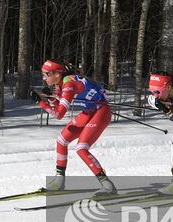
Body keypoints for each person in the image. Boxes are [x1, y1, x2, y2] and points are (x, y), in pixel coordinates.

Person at [34, 60, 116, 195]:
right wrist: (51, 99)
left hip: (101, 111)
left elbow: (59, 114)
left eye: (46, 74)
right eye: (43, 74)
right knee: (61, 141)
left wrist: (40, 102)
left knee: (81, 148)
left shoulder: (68, 85)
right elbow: (59, 107)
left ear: (57, 74)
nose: (44, 78)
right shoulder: (61, 84)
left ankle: (107, 185)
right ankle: (59, 181)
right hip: (89, 111)